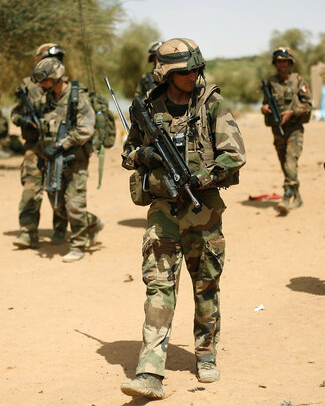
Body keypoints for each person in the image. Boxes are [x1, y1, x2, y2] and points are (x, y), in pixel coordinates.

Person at [119, 38, 246, 399]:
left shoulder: (212, 104)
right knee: (158, 285)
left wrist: (203, 177)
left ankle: (205, 353)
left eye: (196, 69)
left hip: (202, 209)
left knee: (206, 284)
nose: (193, 75)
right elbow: (127, 152)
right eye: (184, 71)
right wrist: (144, 154)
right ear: (166, 73)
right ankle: (150, 370)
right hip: (162, 211)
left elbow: (235, 155)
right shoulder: (147, 107)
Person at [30, 58, 104, 263]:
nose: (42, 85)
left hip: (75, 160)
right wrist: (42, 153)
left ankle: (78, 245)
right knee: (57, 205)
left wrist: (62, 144)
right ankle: (94, 223)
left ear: (55, 78)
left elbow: (86, 129)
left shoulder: (77, 98)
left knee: (74, 205)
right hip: (53, 160)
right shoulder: (48, 100)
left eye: (45, 80)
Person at [11, 43, 67, 249]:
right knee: (30, 190)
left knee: (58, 190)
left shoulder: (65, 86)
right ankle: (27, 232)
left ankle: (61, 229)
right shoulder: (28, 86)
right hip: (34, 147)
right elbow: (14, 114)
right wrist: (23, 121)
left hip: (57, 146)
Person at [261, 46, 312, 214]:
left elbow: (308, 106)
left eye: (285, 61)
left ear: (290, 63)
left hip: (294, 129)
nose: (282, 64)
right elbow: (265, 102)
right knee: (285, 164)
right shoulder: (271, 82)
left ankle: (287, 195)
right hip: (278, 130)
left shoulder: (298, 81)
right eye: (279, 61)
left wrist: (293, 112)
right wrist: (265, 108)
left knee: (290, 161)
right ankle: (297, 196)